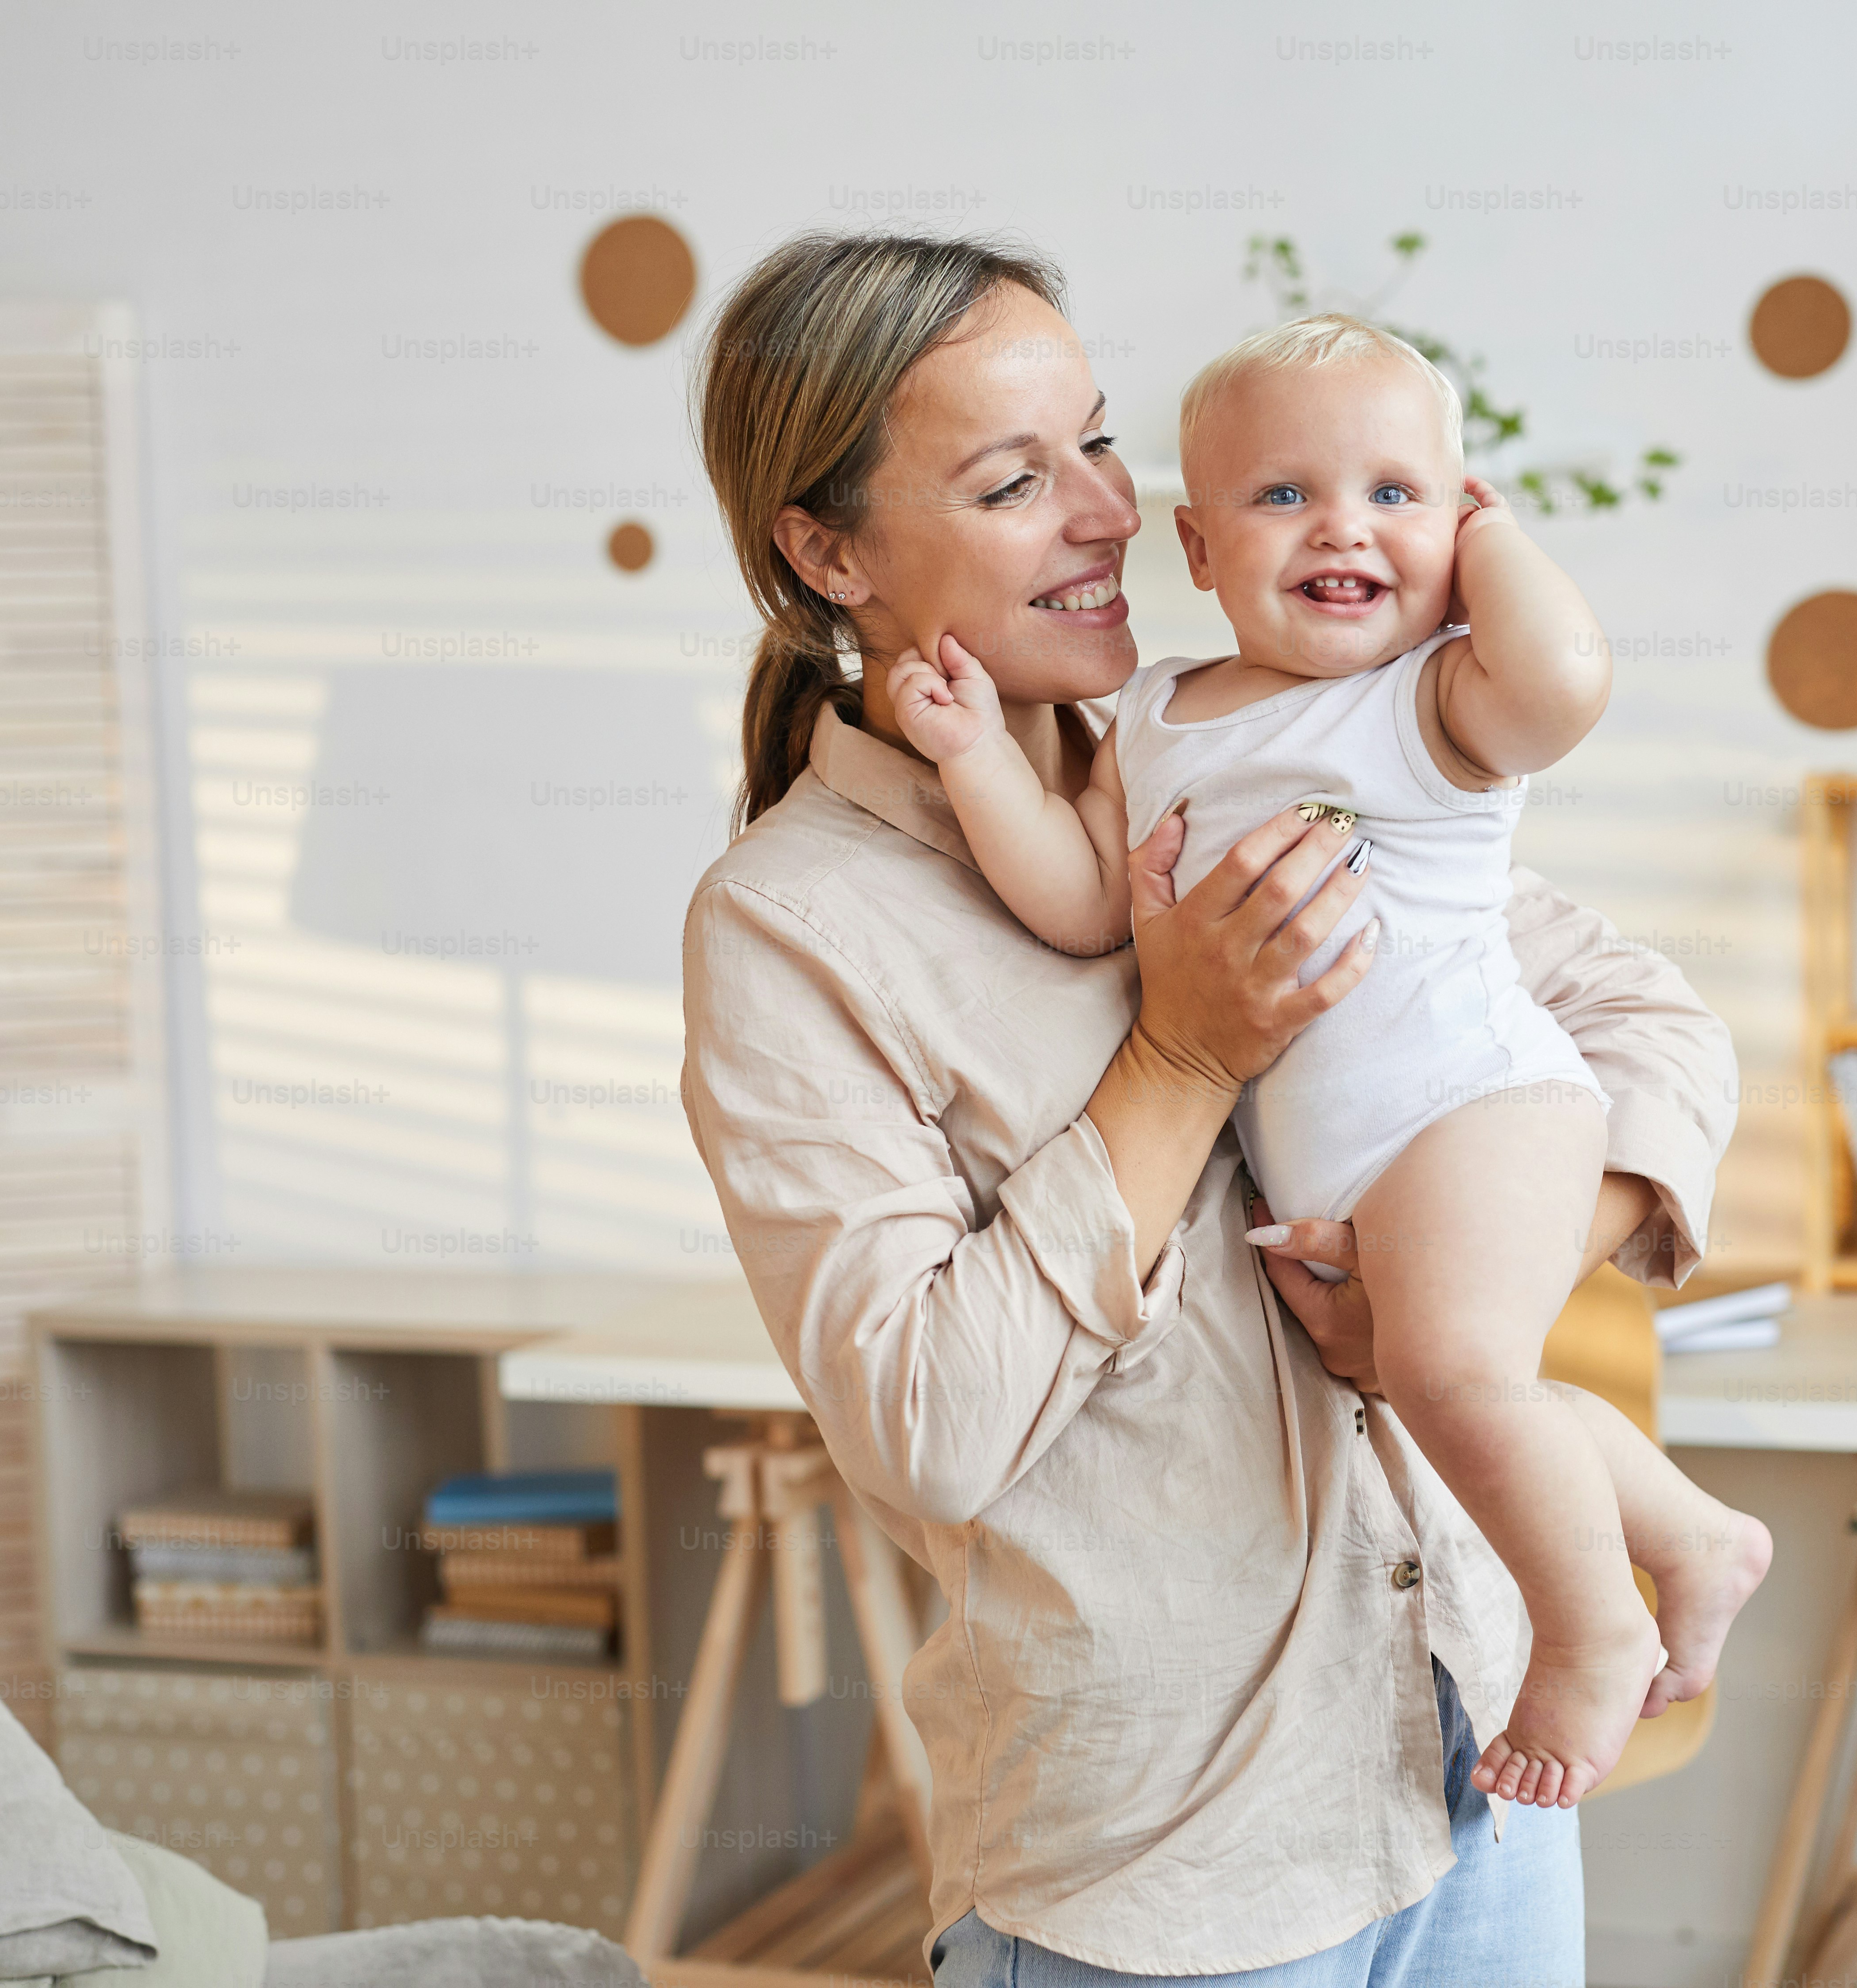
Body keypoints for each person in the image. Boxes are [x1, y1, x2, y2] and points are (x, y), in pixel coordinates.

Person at [680, 230, 1758, 1987]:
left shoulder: (1260, 755)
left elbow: (1641, 1019)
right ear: (829, 548)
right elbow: (926, 1424)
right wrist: (1176, 1062)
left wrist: (1467, 1271)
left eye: (1098, 443)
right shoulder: (799, 929)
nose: (1105, 514)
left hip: (1468, 1767)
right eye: (1017, 480)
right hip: (1169, 1873)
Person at [891, 312, 1765, 1806]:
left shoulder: (1431, 705)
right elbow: (1091, 899)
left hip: (1479, 1105)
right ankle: (1687, 1531)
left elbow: (1562, 681)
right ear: (1199, 545)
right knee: (1445, 1376)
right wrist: (977, 762)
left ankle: (1589, 1630)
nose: (1343, 530)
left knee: (1446, 1365)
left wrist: (1487, 548)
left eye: (1397, 496)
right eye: (1286, 496)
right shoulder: (1159, 715)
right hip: (1358, 1166)